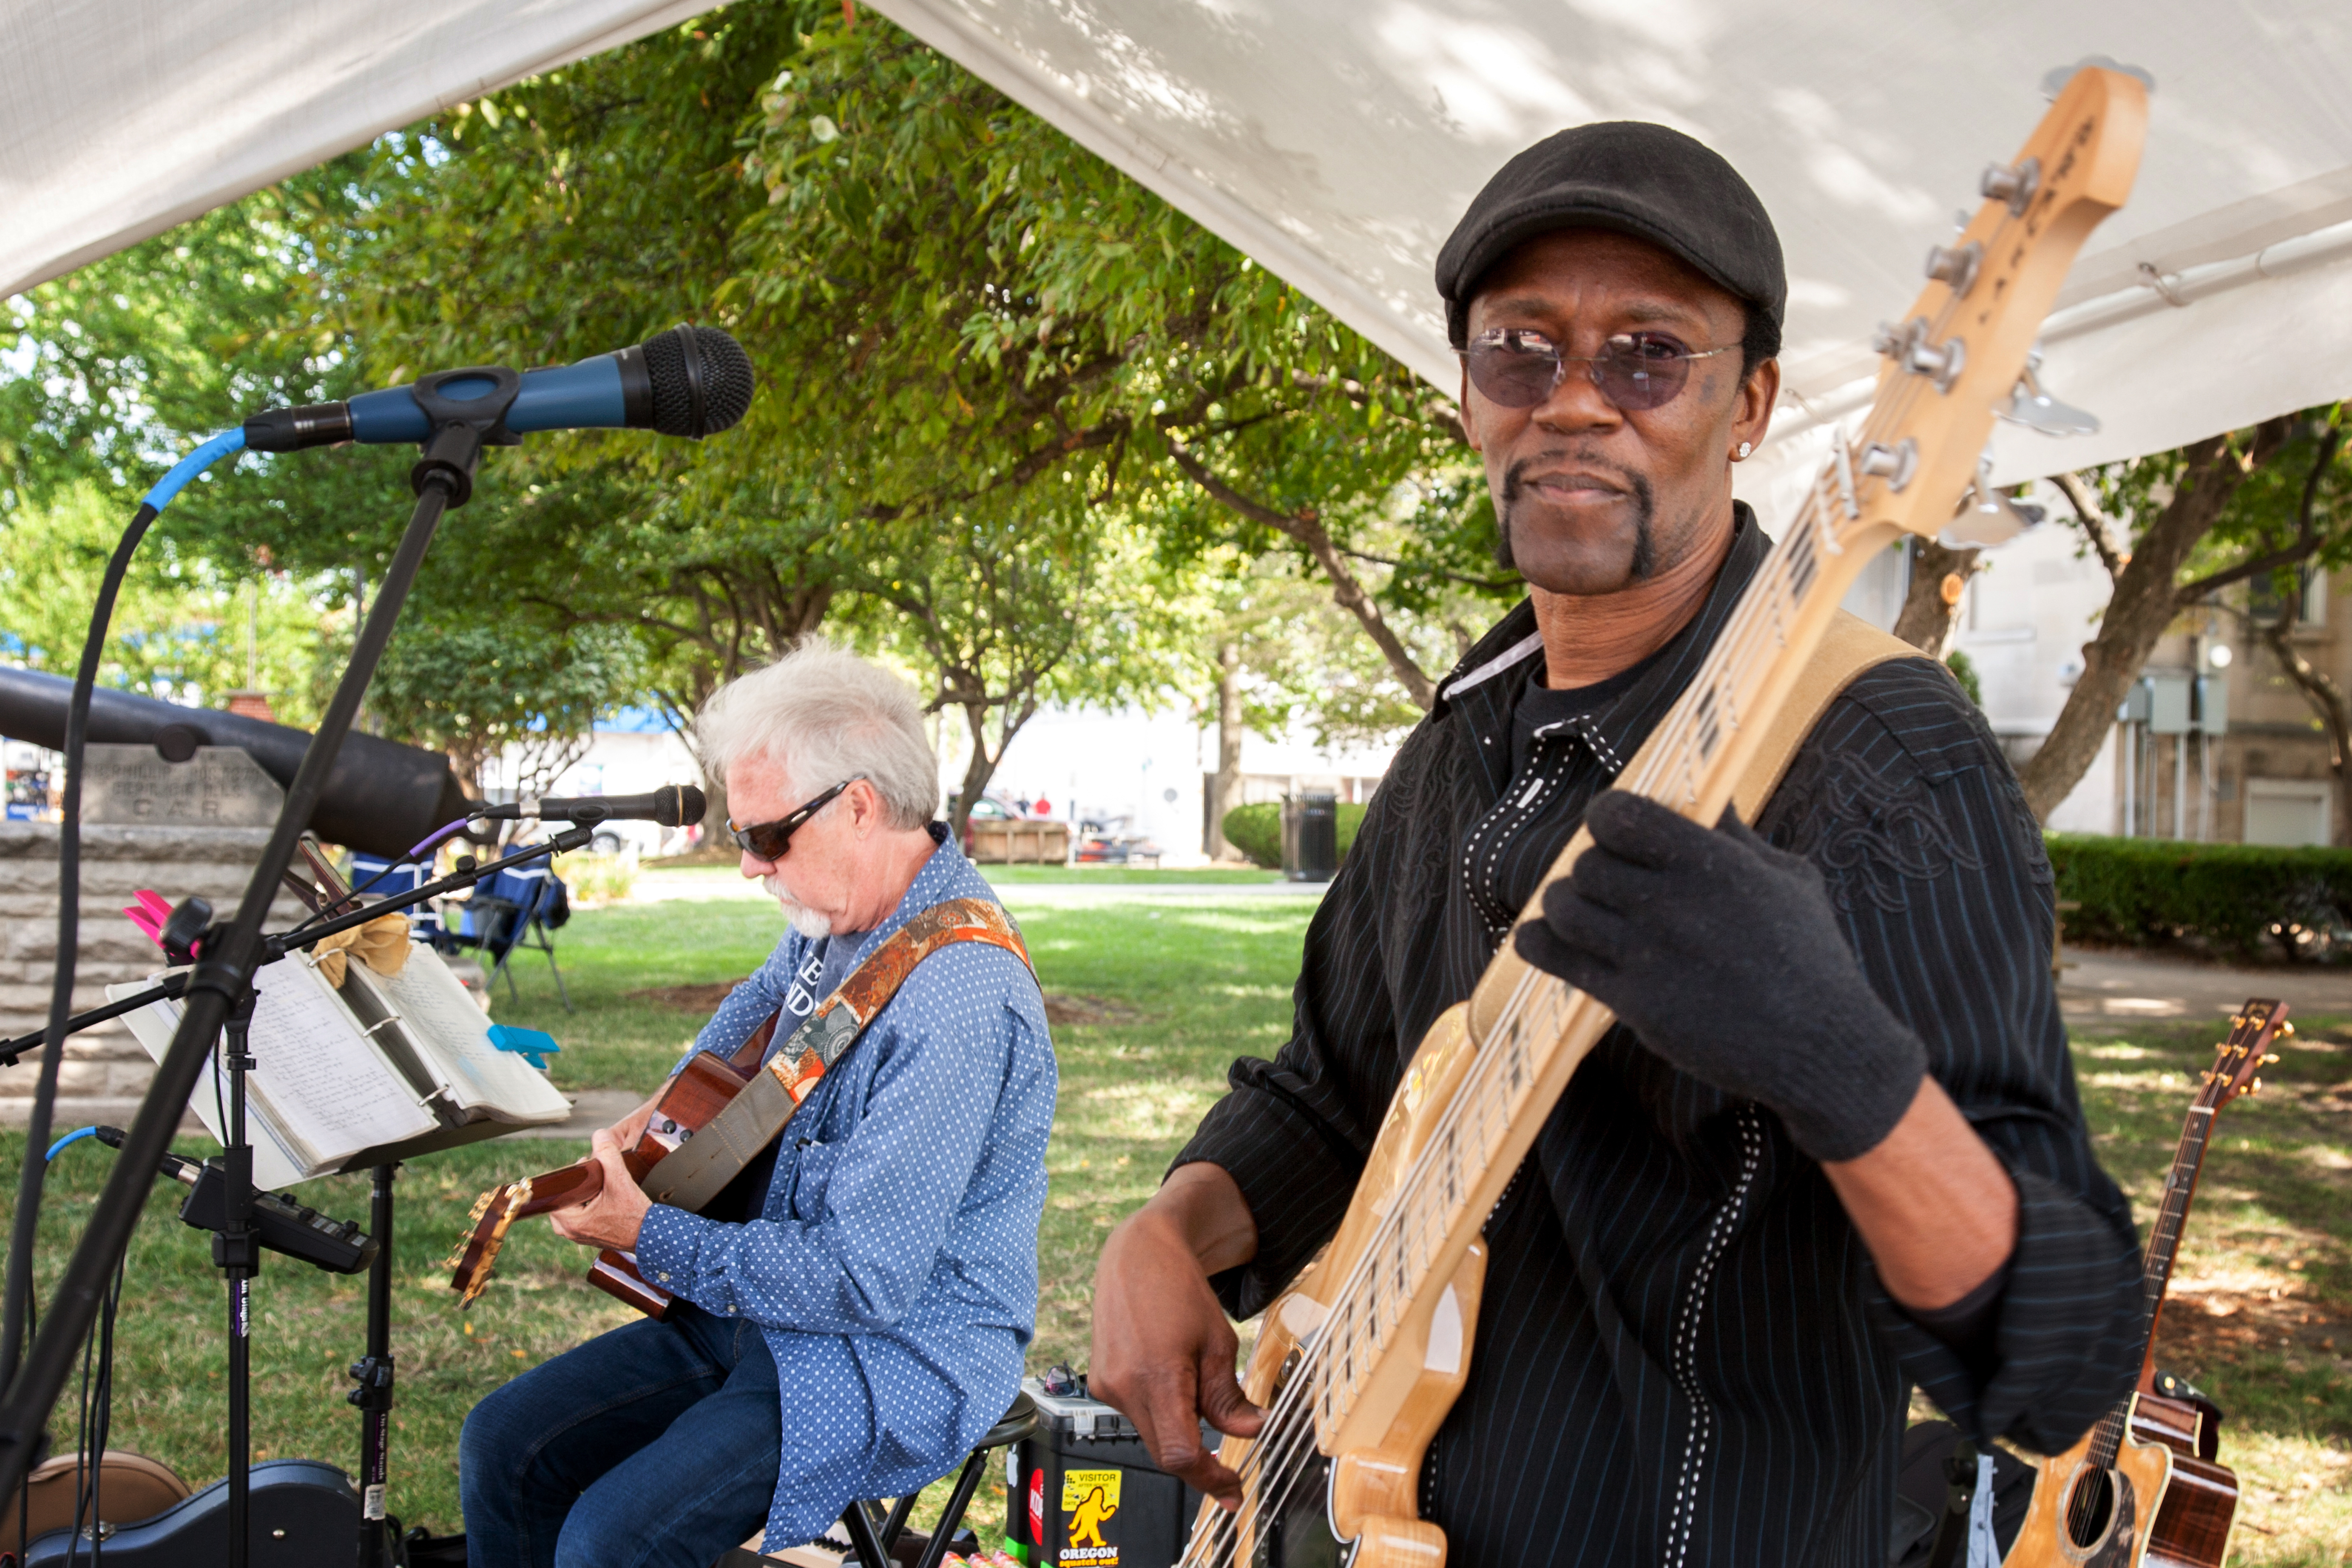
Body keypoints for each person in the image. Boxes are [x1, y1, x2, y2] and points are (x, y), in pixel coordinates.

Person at [1089, 122, 2144, 1565]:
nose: (1576, 403)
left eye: (1650, 355)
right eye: (1523, 349)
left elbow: (2062, 1359)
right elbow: (1336, 1095)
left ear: (1754, 403)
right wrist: (1165, 1235)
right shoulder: (1466, 734)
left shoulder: (1878, 761)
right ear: (1470, 397)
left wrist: (1842, 1066)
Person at [459, 639, 1057, 1568]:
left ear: (859, 805)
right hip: (768, 1305)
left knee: (609, 1544)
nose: (749, 866)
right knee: (505, 1447)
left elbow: (865, 1282)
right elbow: (757, 1003)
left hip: (894, 1348)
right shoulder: (847, 924)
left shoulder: (958, 998)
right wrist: (659, 1107)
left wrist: (643, 1230)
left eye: (765, 837)